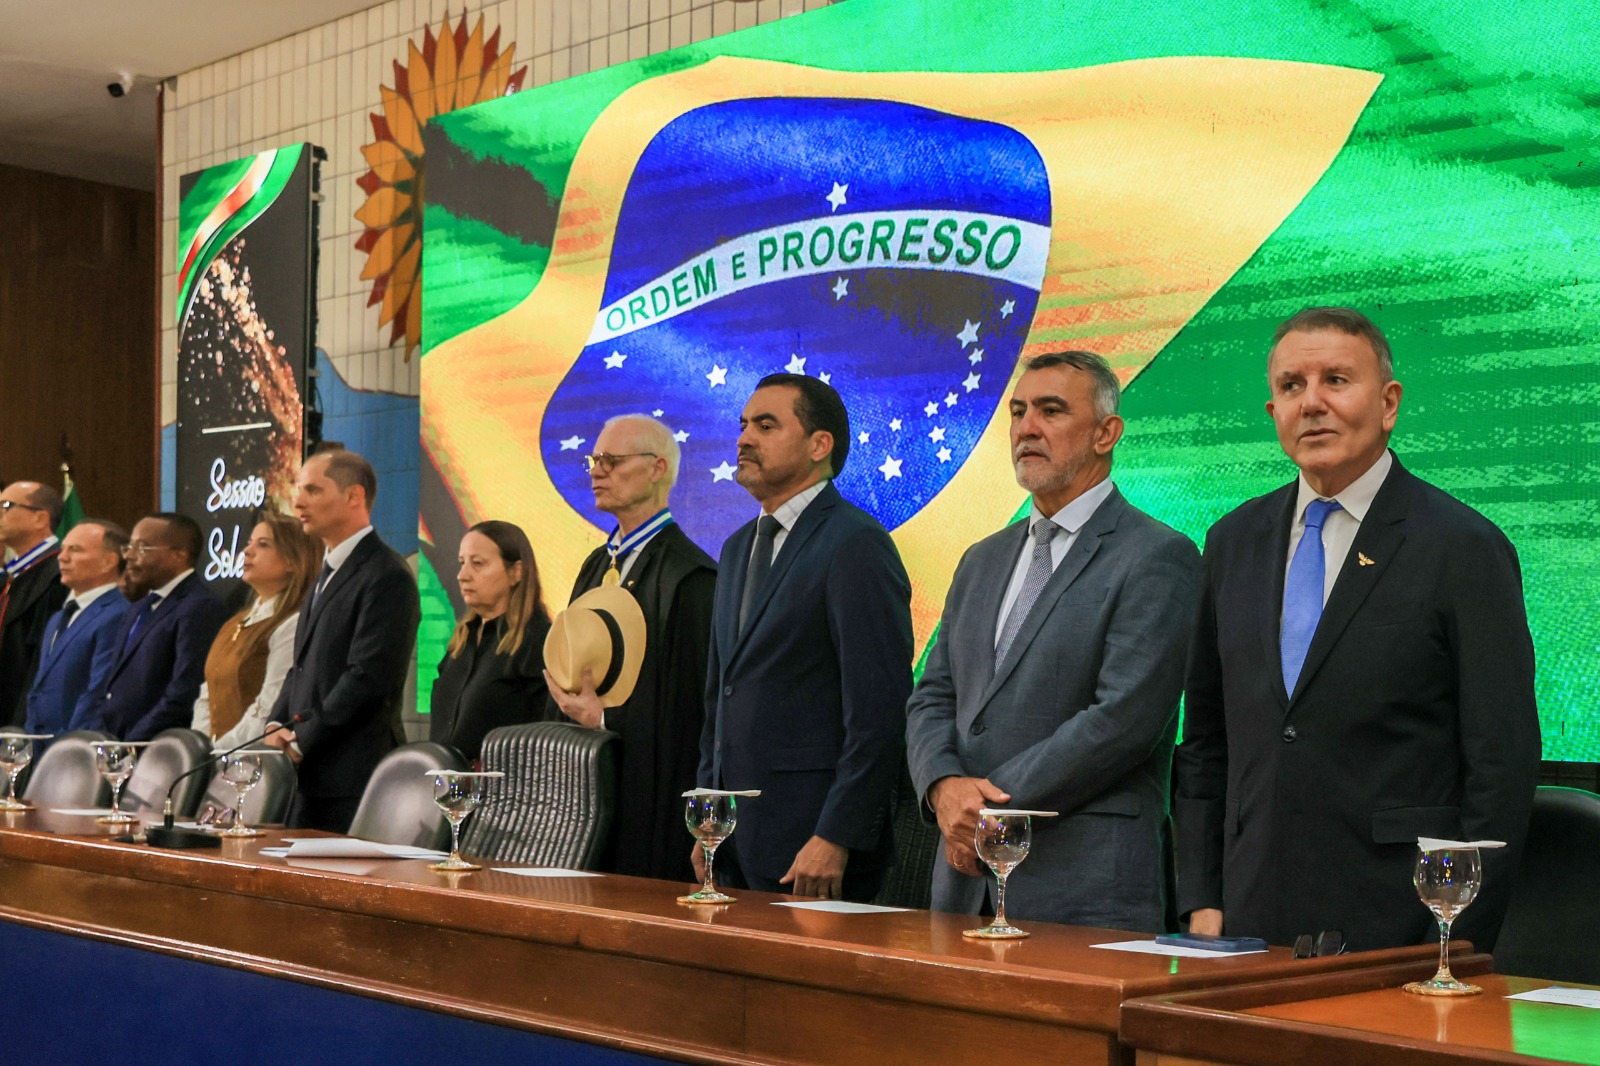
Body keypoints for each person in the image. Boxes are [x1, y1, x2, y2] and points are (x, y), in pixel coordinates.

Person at [1174, 307, 1540, 953]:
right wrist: (1202, 900)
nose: (1312, 403)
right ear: (1273, 412)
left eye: (1336, 380)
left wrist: (1454, 935)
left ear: (1389, 403)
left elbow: (1500, 762)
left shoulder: (1461, 546)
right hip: (1248, 918)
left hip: (1401, 923)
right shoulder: (1232, 541)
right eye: (1292, 386)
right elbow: (1206, 741)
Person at [906, 351, 1200, 932]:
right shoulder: (981, 558)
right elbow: (932, 695)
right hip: (962, 883)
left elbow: (1123, 720)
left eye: (1051, 410)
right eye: (1018, 412)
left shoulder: (1158, 555)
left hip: (1082, 887)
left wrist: (982, 808)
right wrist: (942, 787)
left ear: (1105, 433)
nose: (1026, 428)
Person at [698, 374, 913, 902]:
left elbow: (880, 711)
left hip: (812, 847)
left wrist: (838, 834)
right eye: (743, 425)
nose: (744, 438)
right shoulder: (735, 548)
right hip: (731, 843)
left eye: (766, 425)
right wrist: (707, 819)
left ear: (820, 445)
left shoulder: (855, 543)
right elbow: (719, 698)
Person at [544, 415, 716, 881]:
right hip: (583, 794)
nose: (597, 471)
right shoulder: (595, 565)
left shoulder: (691, 578)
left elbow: (691, 713)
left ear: (657, 468)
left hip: (651, 801)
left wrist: (604, 719)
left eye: (612, 461)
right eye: (594, 460)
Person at [264, 450, 420, 832]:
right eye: (298, 490)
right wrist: (276, 722)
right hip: (309, 774)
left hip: (353, 777)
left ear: (354, 496)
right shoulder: (327, 572)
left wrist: (302, 739)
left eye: (313, 490)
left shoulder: (387, 575)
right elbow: (301, 666)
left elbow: (368, 677)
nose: (298, 502)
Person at [79, 513, 230, 740]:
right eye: (129, 547)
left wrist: (131, 744)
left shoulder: (200, 607)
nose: (129, 556)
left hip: (158, 748)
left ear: (179, 555)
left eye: (142, 548)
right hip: (116, 745)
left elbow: (184, 692)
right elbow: (113, 687)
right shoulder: (139, 608)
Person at [192, 512, 322, 750]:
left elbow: (268, 707)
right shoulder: (235, 621)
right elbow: (207, 694)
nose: (247, 551)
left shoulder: (293, 624)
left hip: (254, 759)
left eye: (263, 545)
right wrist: (201, 746)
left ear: (294, 560)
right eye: (249, 543)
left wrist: (218, 753)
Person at [431, 521, 550, 763]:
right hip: (447, 780)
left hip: (505, 784)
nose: (462, 576)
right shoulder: (462, 640)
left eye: (478, 563)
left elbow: (547, 739)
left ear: (516, 572)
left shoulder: (538, 640)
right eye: (462, 563)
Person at [25, 520, 131, 739]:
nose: (61, 557)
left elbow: (97, 692)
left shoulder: (118, 614)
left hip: (78, 747)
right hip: (40, 746)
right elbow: (40, 689)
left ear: (109, 561)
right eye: (63, 548)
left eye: (75, 550)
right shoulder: (58, 617)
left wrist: (70, 746)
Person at [0, 481, 68, 727]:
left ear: (40, 519)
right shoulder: (13, 576)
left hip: (25, 720)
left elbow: (41, 660)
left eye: (6, 506)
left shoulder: (59, 575)